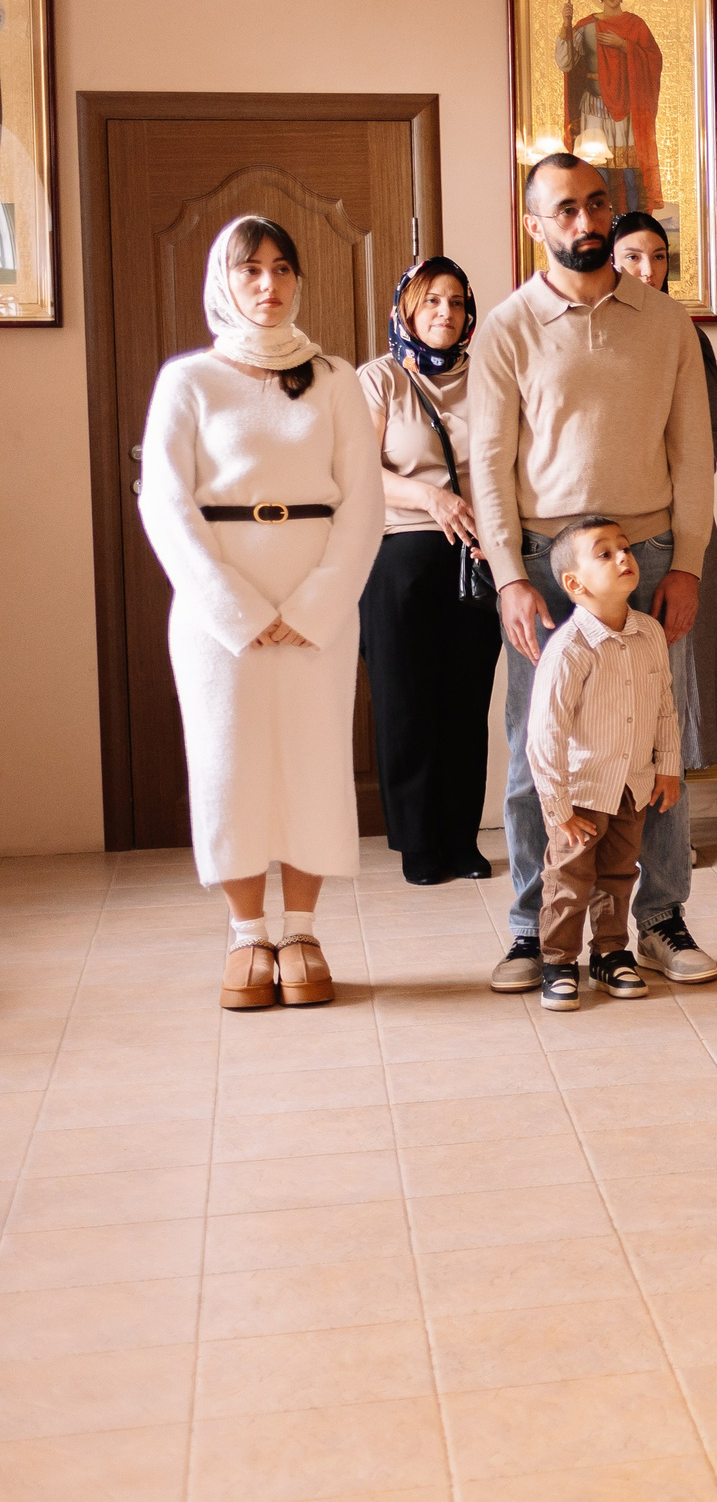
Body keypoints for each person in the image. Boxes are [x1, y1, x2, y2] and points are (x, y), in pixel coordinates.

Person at [471, 153, 717, 995]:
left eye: (597, 204)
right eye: (565, 210)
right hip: (549, 565)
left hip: (647, 556)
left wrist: (685, 563)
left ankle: (658, 920)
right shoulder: (506, 326)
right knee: (533, 749)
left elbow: (695, 456)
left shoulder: (666, 321)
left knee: (657, 745)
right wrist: (510, 575)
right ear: (535, 226)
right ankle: (533, 930)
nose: (586, 221)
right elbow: (490, 461)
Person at [138, 217, 384, 1011]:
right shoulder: (188, 380)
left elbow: (365, 506)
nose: (268, 286)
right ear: (224, 281)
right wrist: (237, 609)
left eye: (282, 269)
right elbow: (167, 506)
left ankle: (304, 928)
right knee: (229, 764)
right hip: (218, 617)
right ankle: (248, 935)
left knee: (312, 759)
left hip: (320, 602)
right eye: (251, 271)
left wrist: (313, 604)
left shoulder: (337, 377)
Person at [357, 257, 503, 887]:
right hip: (401, 558)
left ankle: (461, 839)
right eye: (432, 301)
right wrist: (434, 499)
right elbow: (357, 470)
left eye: (458, 303)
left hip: (477, 559)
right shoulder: (379, 379)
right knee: (406, 702)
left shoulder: (491, 377)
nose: (446, 313)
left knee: (466, 703)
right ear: (407, 309)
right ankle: (419, 844)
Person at [525, 517, 683, 1013]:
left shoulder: (650, 633)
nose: (623, 557)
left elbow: (663, 703)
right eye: (605, 553)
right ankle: (557, 961)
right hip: (582, 793)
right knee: (569, 882)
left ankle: (611, 953)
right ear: (574, 584)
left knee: (618, 875)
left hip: (630, 787)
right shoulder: (570, 649)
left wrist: (668, 766)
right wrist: (557, 808)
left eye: (624, 548)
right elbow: (544, 734)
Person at [608, 211, 717, 777]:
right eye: (634, 256)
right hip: (602, 531)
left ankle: (674, 820)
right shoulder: (593, 324)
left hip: (680, 521)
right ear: (610, 259)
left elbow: (709, 437)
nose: (648, 269)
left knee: (679, 670)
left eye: (659, 257)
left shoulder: (685, 332)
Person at [558, 0, 664, 216]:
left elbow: (653, 59)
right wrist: (566, 24)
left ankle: (634, 221)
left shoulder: (635, 25)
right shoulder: (585, 26)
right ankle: (600, 218)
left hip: (626, 107)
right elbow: (566, 62)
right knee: (599, 167)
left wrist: (624, 45)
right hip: (593, 105)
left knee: (629, 169)